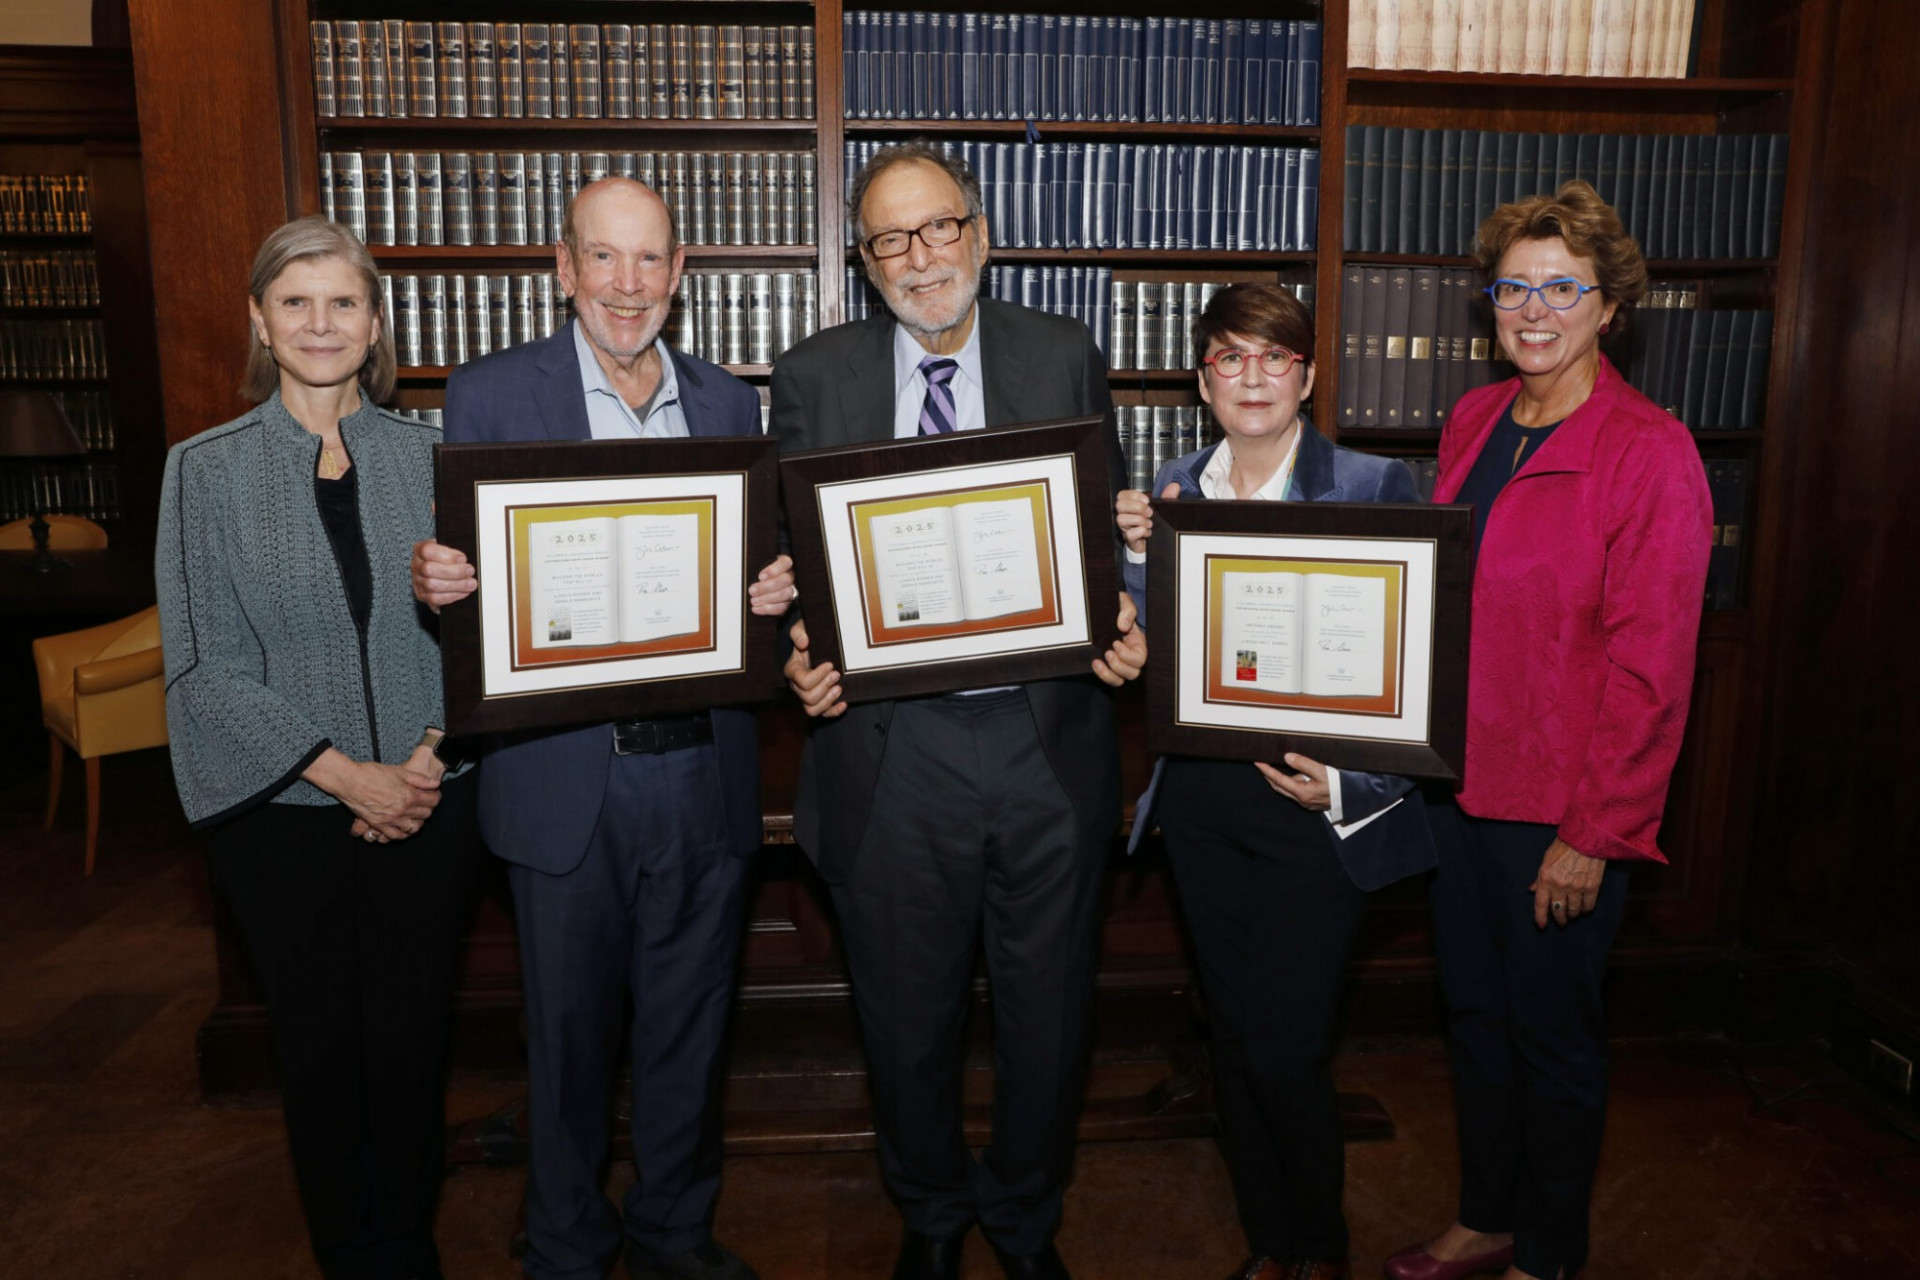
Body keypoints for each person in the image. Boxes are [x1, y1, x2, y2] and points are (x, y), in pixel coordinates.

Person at [771, 142, 1146, 1280]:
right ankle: (931, 1211)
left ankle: (1027, 1217)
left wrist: (1124, 619)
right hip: (892, 751)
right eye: (893, 237)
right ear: (864, 256)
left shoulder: (1063, 353)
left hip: (1045, 738)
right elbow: (790, 559)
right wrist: (796, 648)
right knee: (906, 1013)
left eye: (941, 228)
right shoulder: (816, 374)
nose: (922, 257)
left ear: (979, 232)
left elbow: (1098, 549)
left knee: (1047, 1015)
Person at [408, 177, 794, 1280]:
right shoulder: (489, 393)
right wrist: (440, 582)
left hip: (702, 772)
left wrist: (774, 589)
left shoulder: (729, 403)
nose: (628, 286)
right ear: (564, 267)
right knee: (568, 1042)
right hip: (564, 779)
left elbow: (753, 573)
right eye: (604, 259)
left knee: (690, 1030)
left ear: (681, 274)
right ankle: (567, 1242)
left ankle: (676, 1229)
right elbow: (470, 579)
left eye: (649, 261)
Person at [1386, 182, 1711, 1280]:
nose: (1533, 309)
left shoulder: (1649, 451)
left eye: (1561, 287)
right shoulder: (1475, 421)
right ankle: (1487, 1213)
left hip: (1561, 808)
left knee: (1553, 1036)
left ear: (1609, 305)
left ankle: (1552, 1251)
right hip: (1456, 786)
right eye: (1513, 285)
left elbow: (1653, 664)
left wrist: (1597, 829)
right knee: (1474, 1015)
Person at [156, 216, 481, 1279]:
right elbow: (204, 666)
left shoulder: (434, 456)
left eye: (343, 301)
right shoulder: (203, 471)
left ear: (376, 321)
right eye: (295, 301)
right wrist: (350, 774)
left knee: (410, 1043)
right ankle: (355, 1255)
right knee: (323, 1054)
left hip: (431, 802)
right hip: (285, 820)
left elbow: (482, 636)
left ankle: (409, 1247)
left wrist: (425, 761)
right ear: (260, 318)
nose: (320, 322)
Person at [1114, 284, 1437, 1280]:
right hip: (1205, 806)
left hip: (1314, 808)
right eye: (1230, 357)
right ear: (1201, 377)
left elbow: (1420, 662)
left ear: (1306, 373)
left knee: (1286, 1046)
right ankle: (1269, 1241)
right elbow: (1152, 648)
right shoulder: (1172, 485)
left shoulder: (1376, 485)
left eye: (1275, 357)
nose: (1252, 377)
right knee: (1236, 1040)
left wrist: (1347, 782)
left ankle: (1322, 1245)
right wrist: (1132, 575)